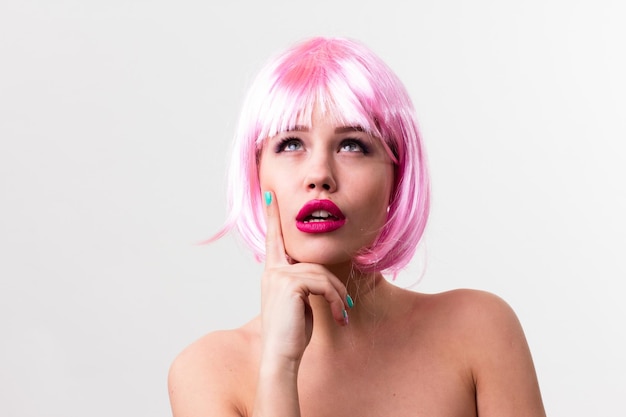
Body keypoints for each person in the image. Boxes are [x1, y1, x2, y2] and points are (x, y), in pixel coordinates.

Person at [168, 36, 546, 417]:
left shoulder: (480, 331)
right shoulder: (206, 371)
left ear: (397, 177)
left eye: (352, 145)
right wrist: (279, 368)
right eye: (290, 144)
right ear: (256, 171)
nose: (319, 175)